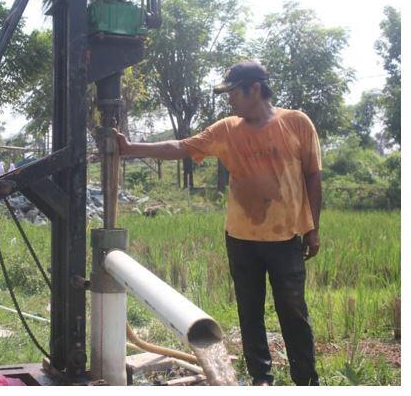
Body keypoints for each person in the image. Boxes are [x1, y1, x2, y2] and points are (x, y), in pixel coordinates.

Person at [117, 60, 322, 386]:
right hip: (241, 239)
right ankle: (261, 380)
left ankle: (307, 382)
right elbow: (180, 147)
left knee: (294, 313)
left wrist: (313, 229)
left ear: (254, 89)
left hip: (286, 239)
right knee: (249, 312)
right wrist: (130, 148)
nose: (229, 101)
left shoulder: (296, 124)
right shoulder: (227, 130)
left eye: (233, 93)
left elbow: (313, 175)